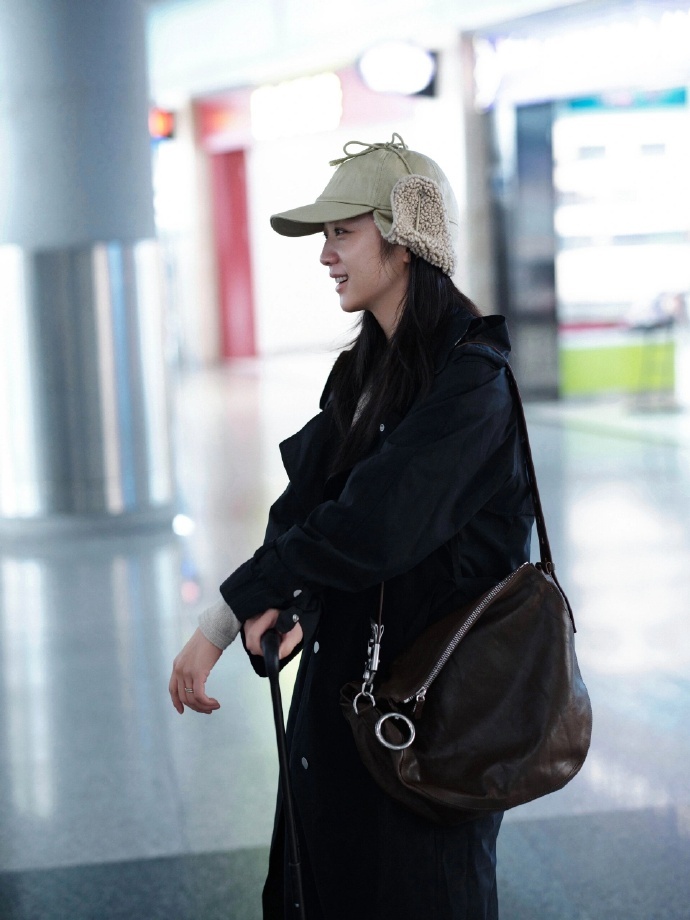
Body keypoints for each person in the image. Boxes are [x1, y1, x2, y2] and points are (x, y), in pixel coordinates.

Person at [169, 134, 534, 920]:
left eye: (343, 232)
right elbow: (307, 507)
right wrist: (288, 606)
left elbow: (371, 526)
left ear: (406, 240)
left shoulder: (473, 384)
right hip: (350, 702)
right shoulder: (363, 372)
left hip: (431, 723)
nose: (326, 255)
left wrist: (223, 615)